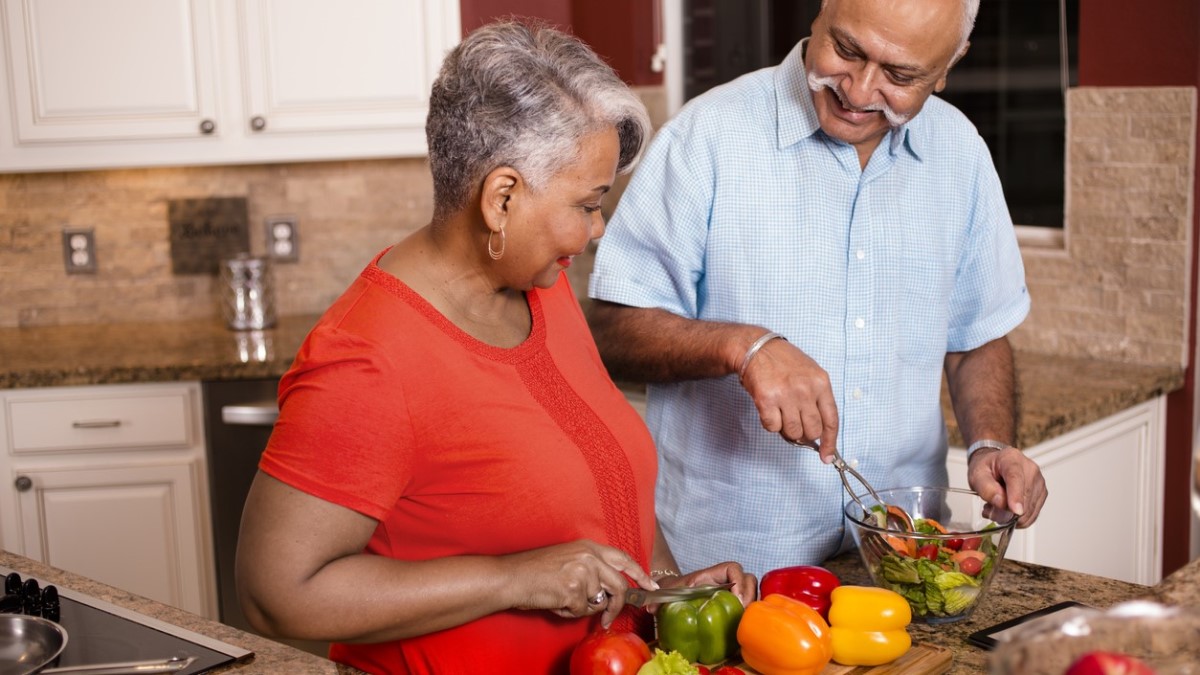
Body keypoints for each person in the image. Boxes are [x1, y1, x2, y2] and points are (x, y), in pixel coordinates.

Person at [235, 19, 755, 675]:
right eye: (588, 203)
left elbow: (594, 491)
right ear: (502, 197)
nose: (596, 230)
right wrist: (514, 579)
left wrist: (664, 590)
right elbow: (275, 594)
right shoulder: (367, 360)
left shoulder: (543, 285)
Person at [586, 0, 1049, 578]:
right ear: (822, 11)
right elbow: (606, 330)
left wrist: (989, 446)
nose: (857, 90)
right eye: (848, 50)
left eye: (900, 76)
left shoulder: (962, 155)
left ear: (947, 68)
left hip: (898, 561)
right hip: (728, 569)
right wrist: (743, 347)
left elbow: (976, 336)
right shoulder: (705, 137)